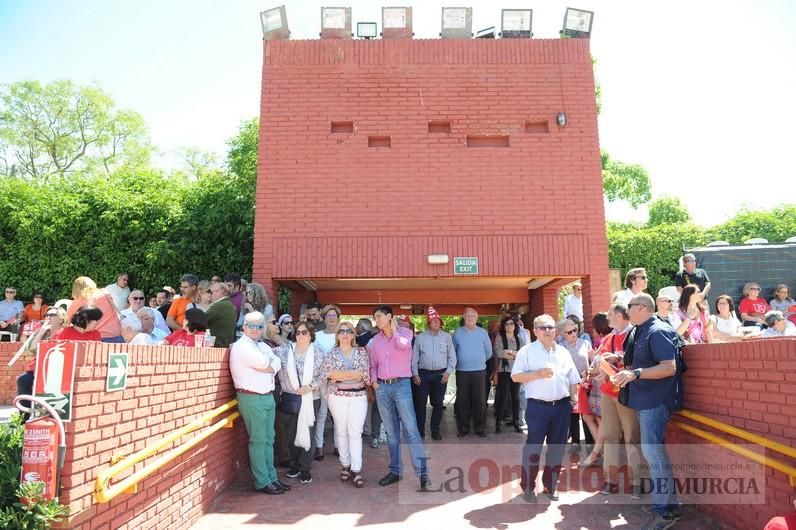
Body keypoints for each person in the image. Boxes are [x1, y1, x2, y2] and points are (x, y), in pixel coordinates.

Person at [612, 293, 682, 528]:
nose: (626, 311)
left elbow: (668, 367)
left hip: (655, 401)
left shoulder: (658, 330)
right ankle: (667, 505)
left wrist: (635, 373)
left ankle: (665, 511)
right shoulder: (640, 329)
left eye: (629, 308)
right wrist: (619, 360)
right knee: (653, 454)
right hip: (643, 400)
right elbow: (641, 359)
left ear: (642, 308)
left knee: (654, 454)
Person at [511, 314, 580, 502]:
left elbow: (573, 379)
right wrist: (538, 374)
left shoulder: (563, 352)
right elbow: (515, 377)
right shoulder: (526, 352)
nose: (548, 331)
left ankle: (551, 485)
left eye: (551, 327)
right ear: (535, 331)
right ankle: (528, 487)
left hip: (562, 407)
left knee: (557, 448)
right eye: (543, 328)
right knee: (533, 448)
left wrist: (573, 399)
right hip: (537, 407)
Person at [368, 305, 430, 490]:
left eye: (379, 316)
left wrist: (393, 330)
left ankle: (422, 473)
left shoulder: (405, 333)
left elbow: (402, 345)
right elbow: (373, 364)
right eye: (375, 317)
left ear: (389, 317)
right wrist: (374, 382)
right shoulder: (375, 341)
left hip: (402, 384)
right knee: (391, 432)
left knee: (411, 429)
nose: (376, 320)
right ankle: (395, 471)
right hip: (382, 387)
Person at [230, 311, 290, 494]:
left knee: (268, 439)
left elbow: (277, 362)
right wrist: (270, 364)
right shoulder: (242, 347)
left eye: (259, 326)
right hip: (251, 397)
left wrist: (271, 364)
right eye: (252, 326)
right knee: (258, 440)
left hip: (266, 396)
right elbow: (266, 364)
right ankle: (262, 481)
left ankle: (272, 477)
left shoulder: (261, 345)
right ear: (245, 327)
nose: (256, 329)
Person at [594, 303, 643, 499]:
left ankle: (637, 482)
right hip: (609, 392)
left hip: (628, 391)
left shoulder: (636, 334)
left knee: (631, 437)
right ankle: (610, 480)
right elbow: (600, 362)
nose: (607, 319)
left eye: (610, 315)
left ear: (619, 315)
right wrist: (598, 368)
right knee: (609, 436)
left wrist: (617, 358)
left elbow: (640, 360)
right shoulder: (609, 337)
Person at [321, 321, 371, 488]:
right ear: (337, 335)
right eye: (341, 331)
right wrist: (351, 375)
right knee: (341, 431)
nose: (344, 334)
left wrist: (341, 376)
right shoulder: (331, 353)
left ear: (353, 334)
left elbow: (363, 373)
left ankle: (356, 470)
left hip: (358, 397)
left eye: (348, 331)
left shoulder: (362, 352)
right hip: (337, 397)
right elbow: (329, 373)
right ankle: (345, 466)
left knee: (355, 432)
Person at [275, 320, 323, 485]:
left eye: (304, 332)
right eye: (298, 332)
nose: (301, 335)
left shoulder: (317, 352)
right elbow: (266, 354)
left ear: (311, 334)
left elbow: (323, 375)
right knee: (291, 434)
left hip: (310, 398)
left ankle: (305, 468)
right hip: (290, 398)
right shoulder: (284, 351)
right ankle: (295, 464)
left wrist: (310, 387)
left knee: (307, 433)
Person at [412, 305, 456, 440]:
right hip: (423, 375)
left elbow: (452, 357)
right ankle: (420, 432)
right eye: (434, 321)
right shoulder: (420, 338)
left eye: (439, 321)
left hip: (440, 376)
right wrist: (415, 374)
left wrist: (448, 373)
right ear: (429, 323)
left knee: (438, 404)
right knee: (420, 405)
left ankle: (435, 430)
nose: (437, 323)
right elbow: (415, 358)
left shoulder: (447, 337)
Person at [452, 307, 492, 438]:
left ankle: (480, 428)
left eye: (473, 316)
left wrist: (478, 361)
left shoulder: (483, 332)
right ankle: (463, 428)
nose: (470, 318)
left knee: (479, 401)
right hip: (462, 372)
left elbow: (489, 352)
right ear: (464, 317)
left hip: (479, 372)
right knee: (463, 401)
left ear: (477, 318)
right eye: (468, 316)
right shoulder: (457, 333)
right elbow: (453, 352)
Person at [16, 307, 68, 408]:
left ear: (61, 318)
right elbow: (31, 351)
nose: (48, 318)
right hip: (38, 367)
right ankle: (24, 417)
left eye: (52, 315)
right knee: (23, 380)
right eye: (46, 315)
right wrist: (41, 332)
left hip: (57, 368)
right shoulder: (42, 332)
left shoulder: (66, 332)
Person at [311, 304, 340, 460]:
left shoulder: (343, 334)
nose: (331, 318)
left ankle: (338, 445)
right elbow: (315, 356)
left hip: (339, 380)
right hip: (323, 380)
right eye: (328, 315)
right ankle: (319, 446)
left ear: (338, 318)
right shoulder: (318, 335)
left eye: (334, 315)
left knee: (337, 415)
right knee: (322, 413)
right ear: (324, 318)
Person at [557, 319, 591, 450]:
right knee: (573, 414)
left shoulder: (585, 343)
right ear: (562, 334)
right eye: (569, 331)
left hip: (586, 383)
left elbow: (592, 360)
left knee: (587, 414)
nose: (573, 333)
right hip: (570, 384)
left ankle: (589, 441)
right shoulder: (560, 347)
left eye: (575, 330)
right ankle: (575, 441)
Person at [492, 316, 524, 434]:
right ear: (504, 326)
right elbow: (497, 352)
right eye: (506, 324)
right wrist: (510, 354)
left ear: (515, 326)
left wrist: (510, 353)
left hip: (516, 371)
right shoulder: (500, 337)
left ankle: (516, 422)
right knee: (503, 397)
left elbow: (523, 354)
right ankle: (498, 423)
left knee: (515, 397)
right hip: (504, 370)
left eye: (511, 324)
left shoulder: (519, 339)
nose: (509, 326)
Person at [67, 276, 122, 342]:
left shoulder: (79, 300)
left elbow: (66, 321)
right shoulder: (104, 293)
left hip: (96, 339)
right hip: (116, 335)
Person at [206, 282, 237, 348]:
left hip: (216, 346)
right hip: (224, 345)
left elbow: (200, 320)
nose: (209, 295)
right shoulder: (228, 304)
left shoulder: (220, 305)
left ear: (221, 291)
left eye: (211, 292)